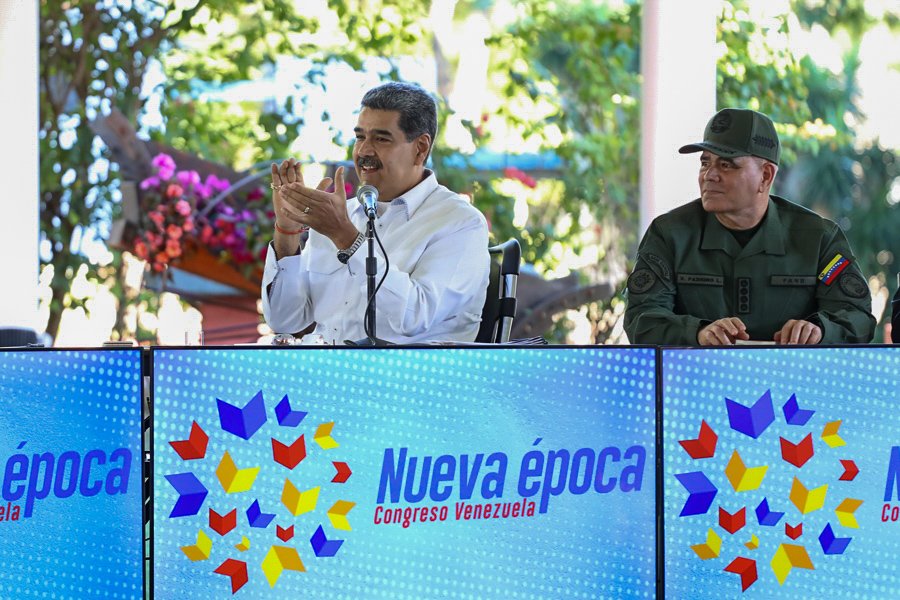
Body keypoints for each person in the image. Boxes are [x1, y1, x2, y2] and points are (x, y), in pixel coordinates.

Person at [261, 82, 490, 344]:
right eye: (360, 137)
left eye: (381, 139)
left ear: (420, 148)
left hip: (410, 369)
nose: (364, 151)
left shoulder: (460, 223)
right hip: (327, 366)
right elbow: (285, 321)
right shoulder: (339, 214)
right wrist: (288, 231)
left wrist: (345, 236)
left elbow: (414, 318)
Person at [624, 108, 875, 346]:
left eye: (726, 165)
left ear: (765, 176)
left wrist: (820, 331)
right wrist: (697, 333)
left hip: (790, 376)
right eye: (705, 163)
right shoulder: (669, 235)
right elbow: (642, 318)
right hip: (698, 374)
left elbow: (858, 317)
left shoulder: (819, 239)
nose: (709, 175)